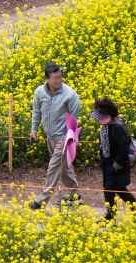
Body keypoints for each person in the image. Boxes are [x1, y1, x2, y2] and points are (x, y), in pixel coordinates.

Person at [28, 62, 82, 209]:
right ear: (47, 79)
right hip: (50, 137)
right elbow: (37, 112)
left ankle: (42, 199)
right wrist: (34, 130)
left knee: (53, 166)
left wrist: (71, 139)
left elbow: (74, 120)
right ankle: (74, 193)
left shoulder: (70, 95)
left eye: (60, 77)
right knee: (64, 167)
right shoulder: (40, 92)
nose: (59, 80)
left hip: (65, 137)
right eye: (55, 78)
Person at [94, 98, 136, 219]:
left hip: (117, 163)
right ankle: (120, 212)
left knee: (115, 188)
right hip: (108, 162)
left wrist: (116, 164)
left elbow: (123, 147)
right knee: (111, 188)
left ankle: (130, 211)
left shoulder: (117, 127)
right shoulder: (107, 125)